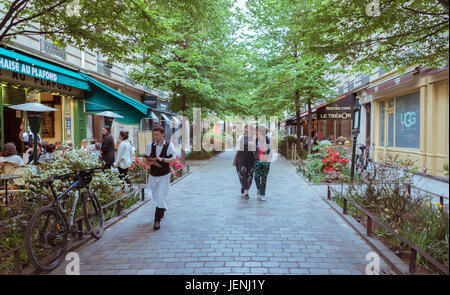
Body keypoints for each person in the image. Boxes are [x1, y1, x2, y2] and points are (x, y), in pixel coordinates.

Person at [144, 126, 176, 230]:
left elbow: (172, 159)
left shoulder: (169, 145)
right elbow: (146, 160)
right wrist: (150, 161)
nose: (156, 136)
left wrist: (161, 159)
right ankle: (162, 209)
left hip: (164, 175)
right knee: (155, 196)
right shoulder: (150, 145)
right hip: (153, 174)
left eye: (158, 134)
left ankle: (156, 220)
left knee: (161, 196)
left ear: (163, 134)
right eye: (155, 135)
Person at [235, 125, 256, 199]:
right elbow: (237, 149)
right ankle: (243, 185)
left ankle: (247, 192)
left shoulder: (253, 138)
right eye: (246, 128)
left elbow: (256, 149)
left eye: (248, 128)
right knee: (242, 174)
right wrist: (235, 159)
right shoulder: (241, 137)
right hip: (241, 158)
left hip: (250, 159)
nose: (247, 129)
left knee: (249, 175)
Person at [254, 126, 272, 201]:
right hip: (257, 160)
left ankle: (262, 194)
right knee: (256, 177)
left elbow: (271, 151)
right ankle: (259, 189)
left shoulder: (268, 140)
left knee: (264, 178)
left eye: (258, 131)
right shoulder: (255, 140)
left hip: (265, 161)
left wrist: (269, 161)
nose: (256, 132)